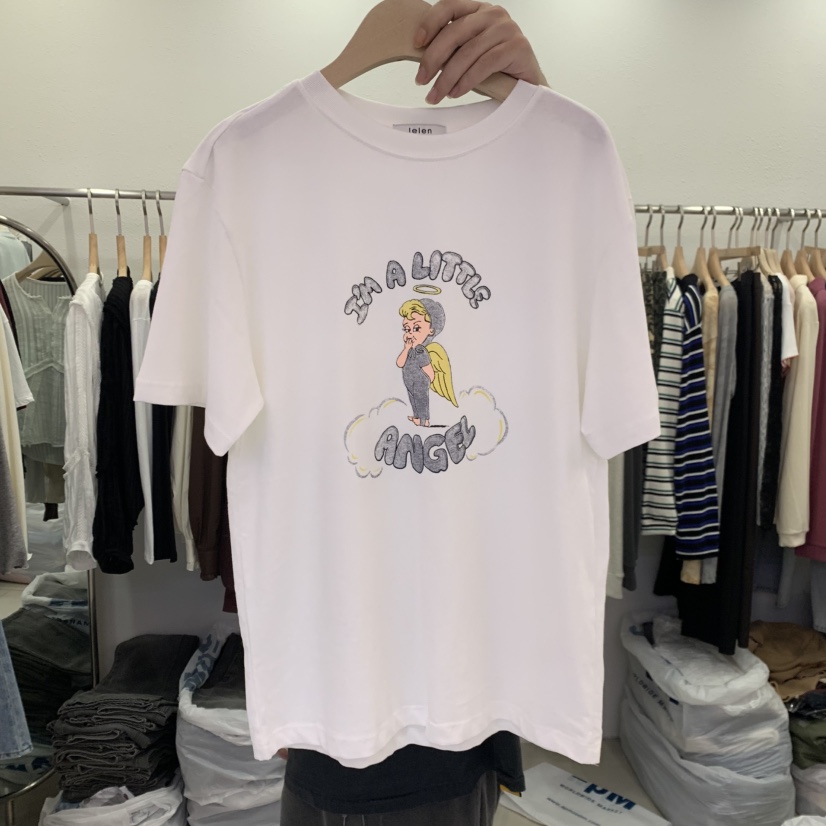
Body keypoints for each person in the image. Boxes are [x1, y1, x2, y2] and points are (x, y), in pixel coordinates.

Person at [280, 2, 549, 824]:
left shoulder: (557, 175)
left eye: (412, 324)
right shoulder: (258, 170)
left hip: (463, 703)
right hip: (350, 705)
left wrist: (538, 114)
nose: (406, 330)